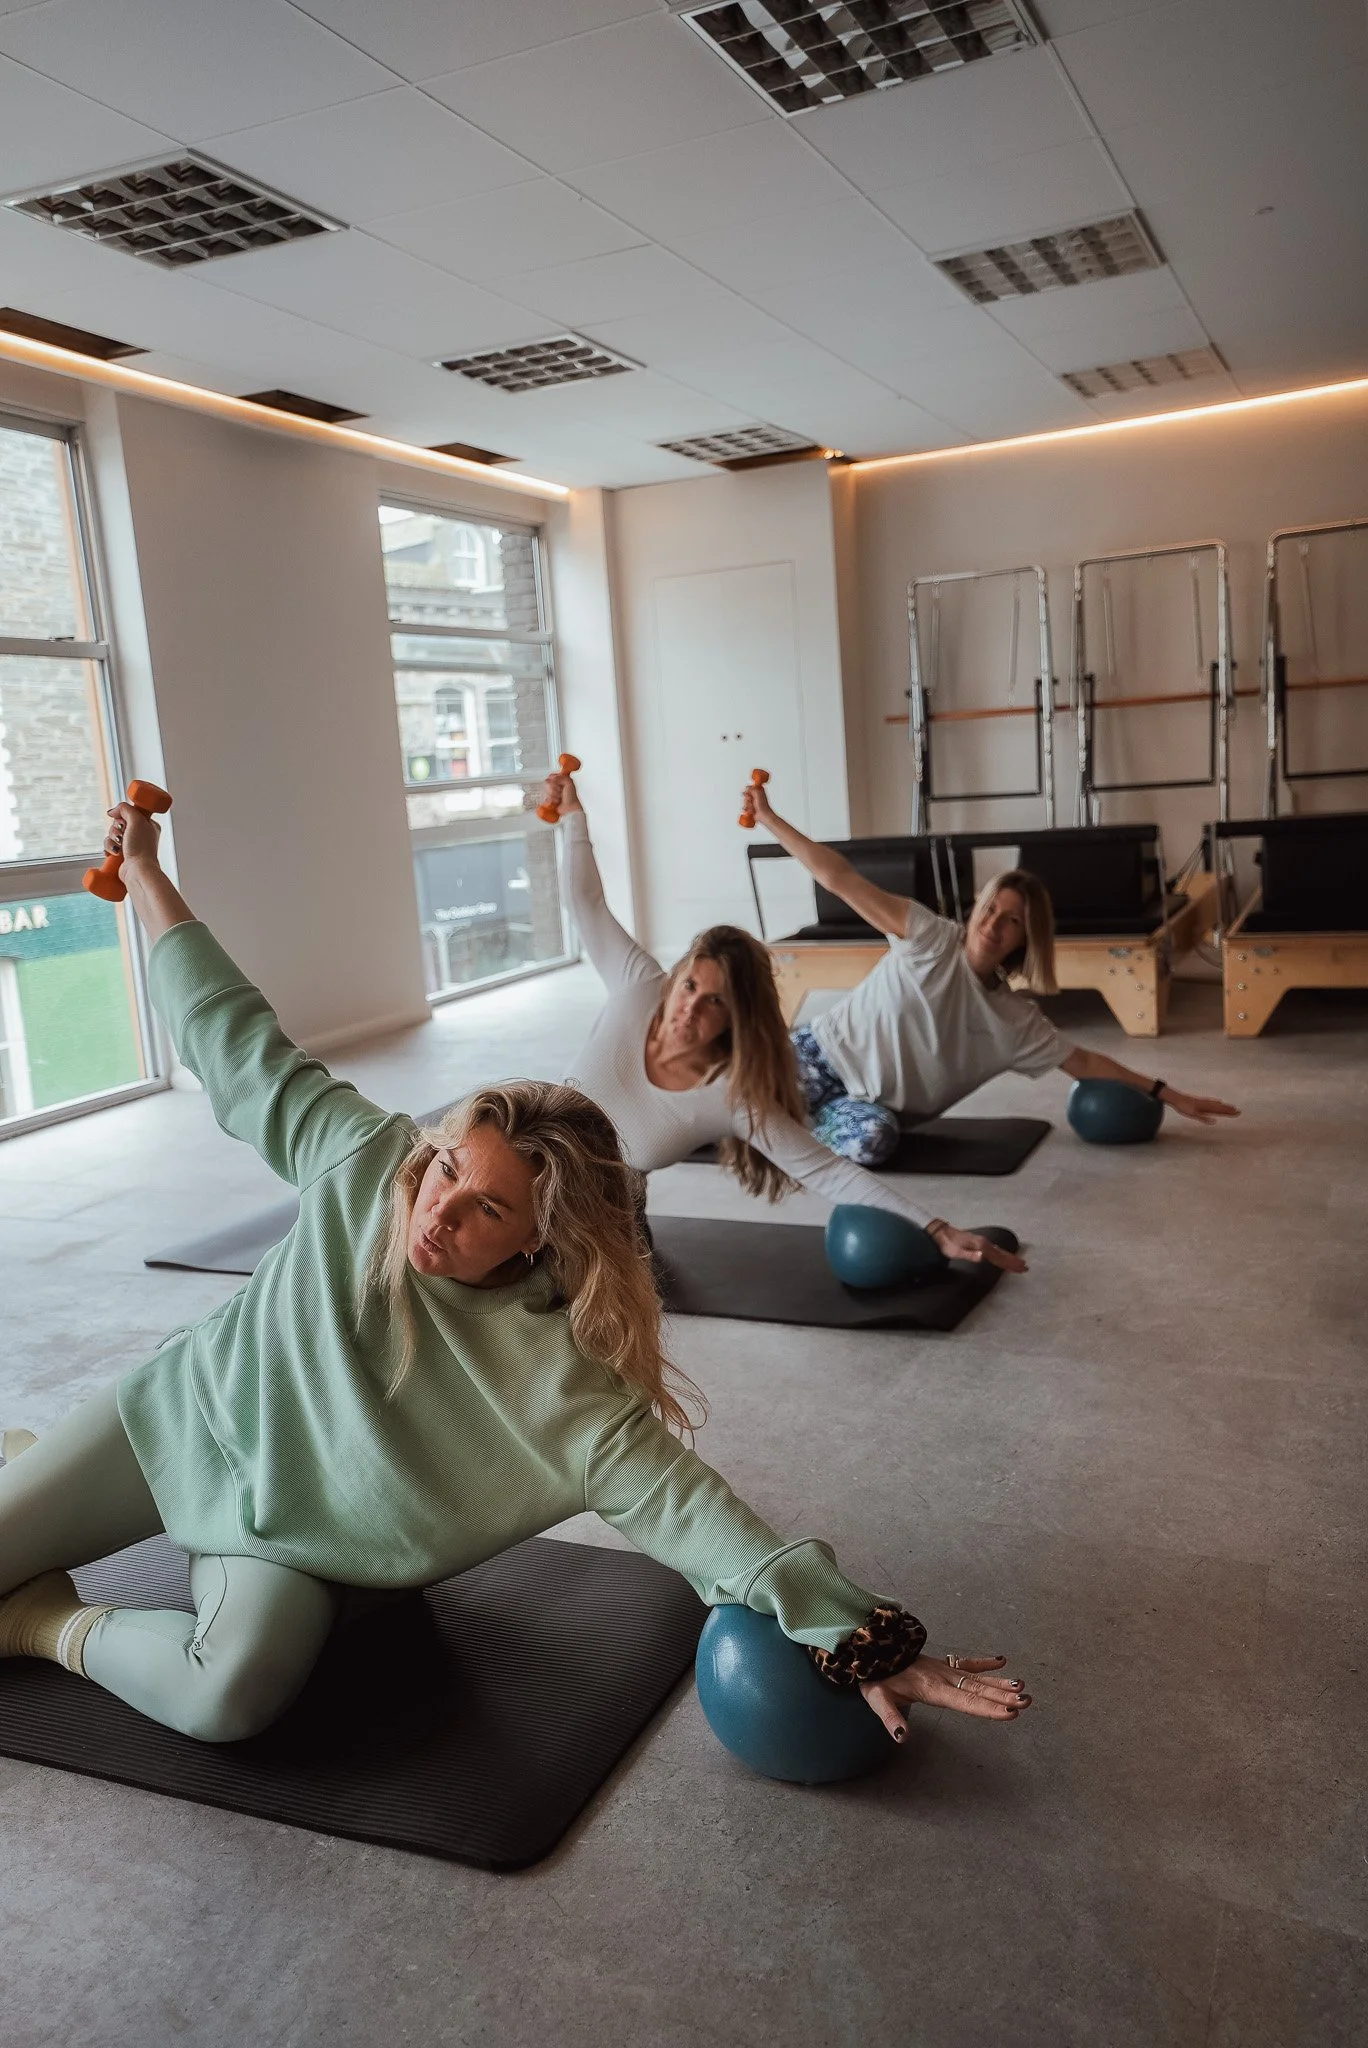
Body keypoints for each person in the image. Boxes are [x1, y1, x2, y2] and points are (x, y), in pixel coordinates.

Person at [0, 799, 1031, 1750]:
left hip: (302, 1543)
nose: (437, 1209)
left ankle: (41, 1620)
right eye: (448, 1167)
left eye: (483, 1207)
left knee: (227, 1696)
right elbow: (238, 1041)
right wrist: (145, 872)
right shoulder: (371, 1159)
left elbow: (708, 1525)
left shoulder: (566, 1388)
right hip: (180, 1421)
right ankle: (31, 1474)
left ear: (537, 1242)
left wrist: (870, 1638)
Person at [543, 767, 1024, 1273]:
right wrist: (573, 816)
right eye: (690, 987)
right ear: (677, 974)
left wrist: (937, 1229)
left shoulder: (731, 1095)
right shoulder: (637, 987)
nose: (691, 1008)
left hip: (600, 1216)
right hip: (528, 1158)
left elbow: (827, 1171)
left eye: (717, 1003)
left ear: (736, 1020)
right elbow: (585, 902)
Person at [743, 779, 1239, 1164]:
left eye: (1013, 920)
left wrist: (1168, 1094)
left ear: (1026, 939)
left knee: (874, 1142)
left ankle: (791, 1127)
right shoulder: (929, 939)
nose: (994, 924)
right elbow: (840, 877)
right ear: (976, 907)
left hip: (869, 1109)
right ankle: (765, 1112)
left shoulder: (1013, 1021)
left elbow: (1084, 1062)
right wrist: (769, 817)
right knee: (725, 1089)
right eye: (991, 909)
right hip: (817, 1056)